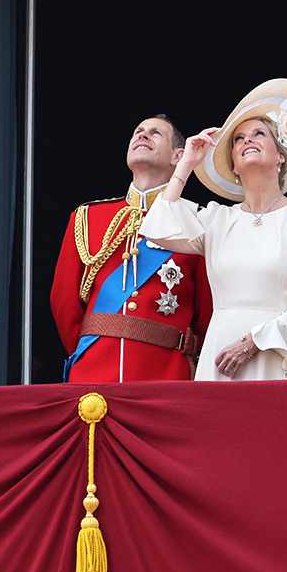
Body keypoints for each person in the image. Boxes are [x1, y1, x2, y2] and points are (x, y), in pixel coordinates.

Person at [143, 78, 287, 380]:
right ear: (233, 164)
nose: (247, 141)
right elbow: (156, 229)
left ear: (280, 156)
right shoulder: (216, 219)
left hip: (279, 354)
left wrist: (254, 341)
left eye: (259, 133)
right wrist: (186, 165)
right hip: (221, 359)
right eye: (238, 139)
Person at [49, 115, 212, 383]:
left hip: (166, 374)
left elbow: (207, 312)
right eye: (138, 130)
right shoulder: (88, 216)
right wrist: (89, 349)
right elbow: (64, 302)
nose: (143, 135)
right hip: (94, 370)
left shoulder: (196, 221)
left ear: (178, 156)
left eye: (155, 133)